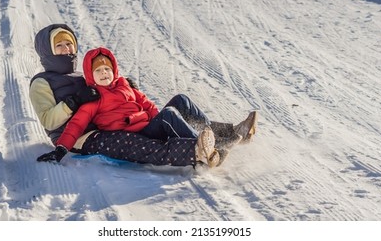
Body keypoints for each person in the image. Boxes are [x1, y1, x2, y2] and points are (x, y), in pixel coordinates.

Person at [29, 24, 257, 168]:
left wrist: (125, 87)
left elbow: (110, 88)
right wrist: (73, 104)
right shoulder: (41, 82)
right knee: (155, 134)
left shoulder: (82, 75)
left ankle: (224, 134)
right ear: (47, 50)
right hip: (82, 137)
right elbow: (49, 120)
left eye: (70, 43)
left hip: (112, 124)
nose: (67, 49)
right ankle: (203, 149)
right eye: (59, 45)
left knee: (180, 102)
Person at [54, 46, 231, 167]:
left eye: (107, 69)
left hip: (148, 125)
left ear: (114, 70)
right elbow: (76, 124)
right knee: (169, 115)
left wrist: (157, 120)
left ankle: (217, 135)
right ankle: (205, 149)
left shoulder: (124, 85)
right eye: (98, 71)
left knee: (181, 100)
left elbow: (147, 104)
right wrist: (62, 147)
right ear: (91, 75)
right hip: (136, 134)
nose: (104, 73)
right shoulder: (93, 98)